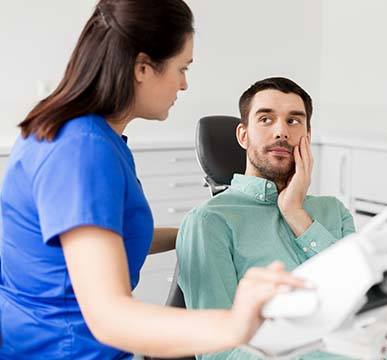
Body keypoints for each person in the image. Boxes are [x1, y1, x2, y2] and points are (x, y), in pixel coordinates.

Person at [0, 2, 305, 359]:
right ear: (143, 68)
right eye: (181, 68)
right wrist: (235, 323)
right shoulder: (82, 151)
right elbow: (110, 318)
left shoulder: (86, 135)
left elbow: (106, 240)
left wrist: (202, 228)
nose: (184, 83)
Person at [176, 77, 358, 359]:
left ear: (307, 136)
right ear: (243, 135)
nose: (281, 132)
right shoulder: (209, 222)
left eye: (294, 121)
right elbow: (218, 354)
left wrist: (297, 215)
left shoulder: (334, 211)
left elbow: (363, 301)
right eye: (266, 119)